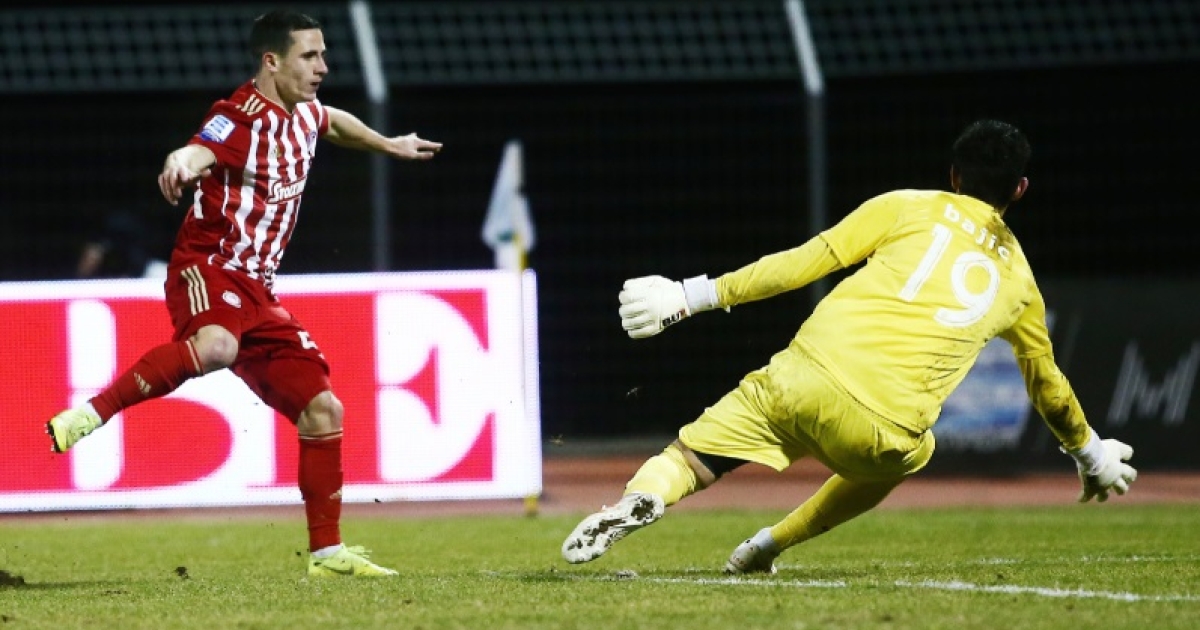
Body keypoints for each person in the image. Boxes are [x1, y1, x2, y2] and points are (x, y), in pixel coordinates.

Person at [561, 119, 1137, 574]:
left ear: (954, 175)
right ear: (1020, 189)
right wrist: (1089, 454)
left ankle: (642, 499)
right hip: (885, 430)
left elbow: (804, 263)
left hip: (802, 377)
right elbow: (1048, 386)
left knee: (688, 459)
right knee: (920, 450)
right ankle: (769, 544)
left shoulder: (907, 205)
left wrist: (692, 295)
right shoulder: (1021, 284)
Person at [45, 9, 441, 578]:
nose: (323, 67)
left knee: (324, 409)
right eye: (310, 56)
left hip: (258, 291)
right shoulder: (237, 118)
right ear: (271, 61)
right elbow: (199, 149)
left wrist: (389, 144)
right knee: (216, 347)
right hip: (208, 268)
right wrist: (179, 162)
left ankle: (327, 554)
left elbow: (332, 122)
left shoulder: (304, 113)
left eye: (324, 55)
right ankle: (89, 415)